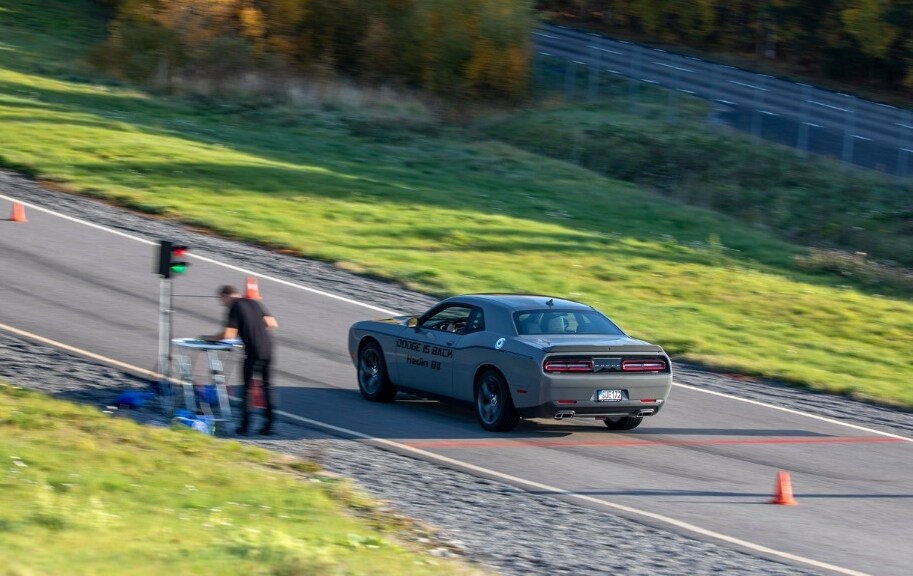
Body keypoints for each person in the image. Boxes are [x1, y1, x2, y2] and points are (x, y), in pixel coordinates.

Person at [206, 284, 278, 436]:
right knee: (267, 387)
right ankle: (269, 425)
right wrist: (253, 326)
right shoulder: (254, 302)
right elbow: (271, 323)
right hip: (268, 347)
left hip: (253, 350)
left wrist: (212, 338)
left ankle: (245, 426)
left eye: (222, 301)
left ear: (226, 296)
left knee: (246, 389)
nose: (223, 304)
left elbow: (229, 334)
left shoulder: (234, 306)